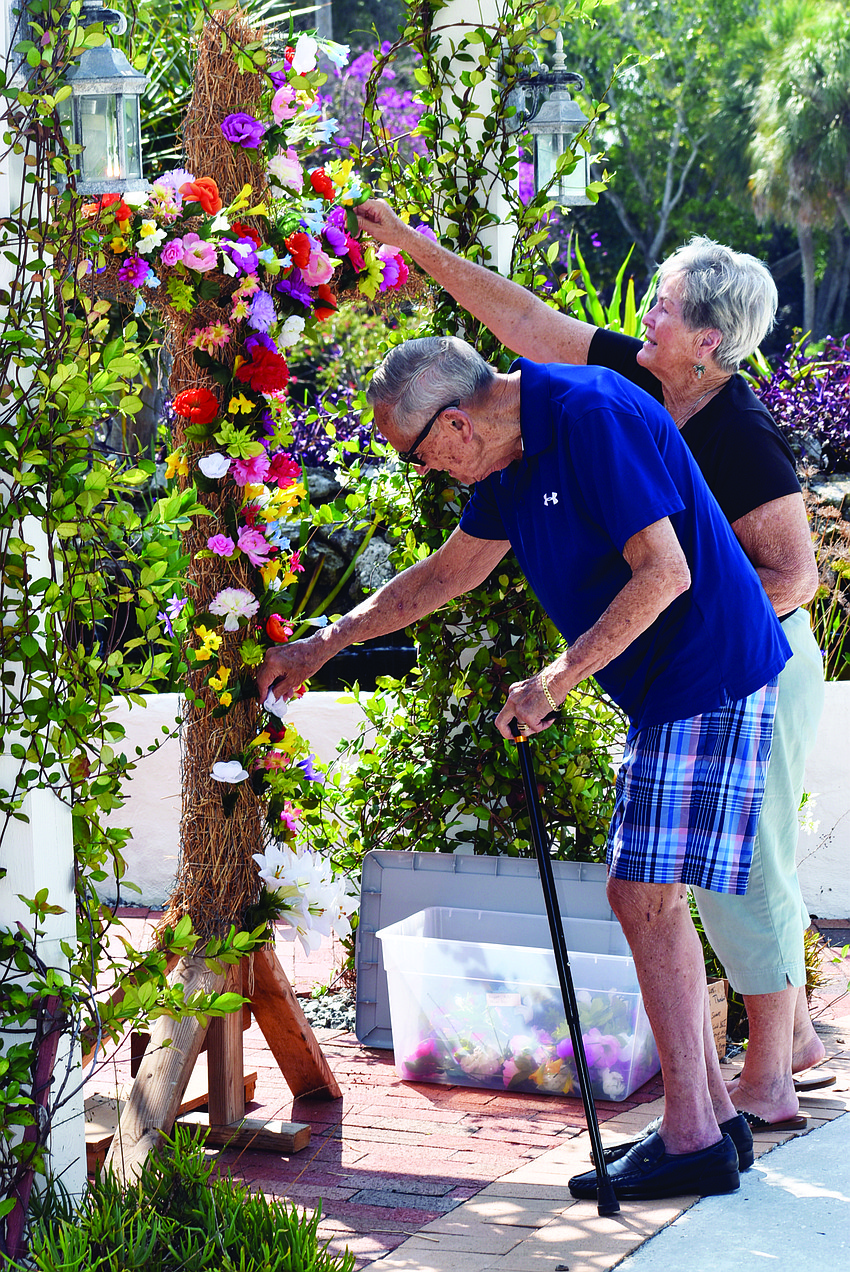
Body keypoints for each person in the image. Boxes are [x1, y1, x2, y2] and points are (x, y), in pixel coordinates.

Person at [259, 333, 792, 1200]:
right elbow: (448, 575)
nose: (425, 471)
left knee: (643, 896)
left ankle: (693, 1134)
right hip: (671, 686)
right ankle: (713, 1121)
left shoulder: (589, 416)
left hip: (709, 671)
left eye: (417, 452)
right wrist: (330, 639)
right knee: (652, 898)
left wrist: (555, 680)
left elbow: (665, 573)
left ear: (458, 425)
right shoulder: (509, 459)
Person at [349, 202, 827, 1136]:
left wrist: (682, 631)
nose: (644, 314)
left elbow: (792, 574)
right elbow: (521, 324)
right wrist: (419, 248)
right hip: (670, 650)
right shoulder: (619, 376)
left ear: (710, 342)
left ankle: (770, 1070)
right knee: (689, 876)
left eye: (665, 307)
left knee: (744, 869)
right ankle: (763, 1066)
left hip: (755, 657)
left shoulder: (738, 431)